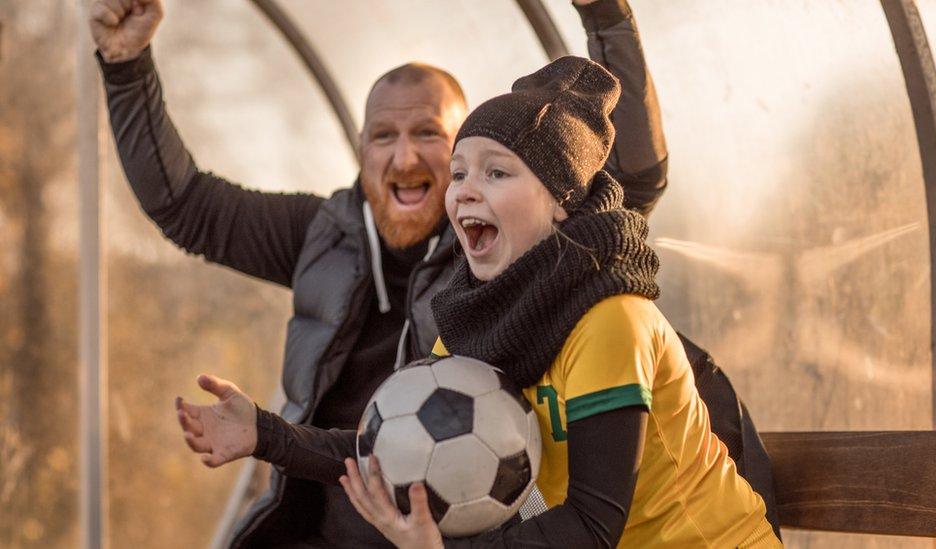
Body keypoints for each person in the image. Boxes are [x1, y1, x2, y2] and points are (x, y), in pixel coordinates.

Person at [89, 0, 688, 546]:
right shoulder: (323, 231)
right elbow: (185, 207)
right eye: (384, 137)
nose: (404, 158)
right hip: (314, 528)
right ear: (360, 150)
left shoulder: (513, 255)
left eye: (428, 133)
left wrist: (605, 16)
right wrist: (125, 65)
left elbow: (628, 183)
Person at [177, 56, 782, 548]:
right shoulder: (476, 318)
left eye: (498, 173)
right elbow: (388, 443)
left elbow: (594, 524)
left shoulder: (610, 318)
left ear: (561, 201)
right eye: (461, 173)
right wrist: (264, 434)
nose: (466, 190)